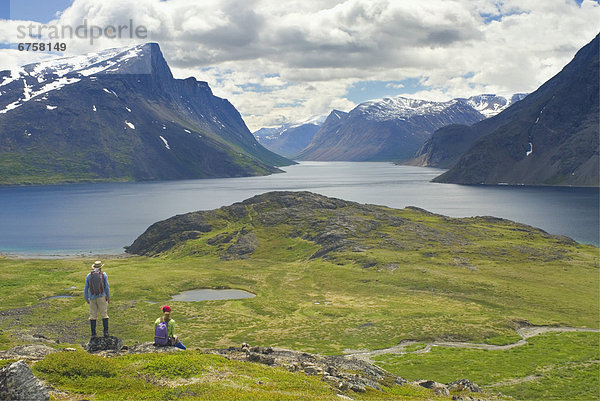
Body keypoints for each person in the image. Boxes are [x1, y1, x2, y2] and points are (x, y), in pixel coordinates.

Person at [84, 260, 110, 337]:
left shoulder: (89, 275)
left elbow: (86, 288)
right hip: (101, 297)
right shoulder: (103, 275)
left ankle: (93, 334)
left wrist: (86, 298)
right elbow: (106, 287)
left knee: (93, 315)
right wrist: (108, 297)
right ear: (101, 267)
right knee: (104, 314)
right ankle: (105, 332)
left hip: (92, 298)